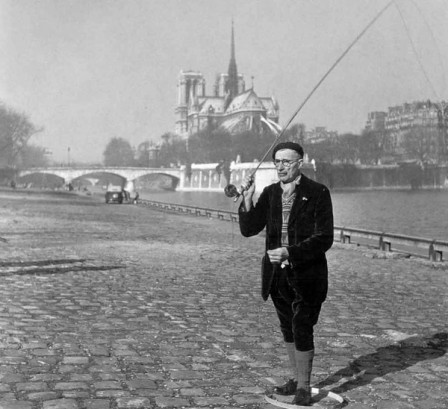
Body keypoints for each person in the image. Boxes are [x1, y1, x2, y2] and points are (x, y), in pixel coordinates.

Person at [238, 142, 333, 406]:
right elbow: (249, 229)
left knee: (302, 326)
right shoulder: (269, 193)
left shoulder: (318, 193)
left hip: (307, 275)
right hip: (276, 277)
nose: (280, 167)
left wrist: (291, 252)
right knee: (287, 328)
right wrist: (248, 198)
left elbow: (324, 238)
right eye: (277, 162)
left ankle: (303, 388)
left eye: (287, 162)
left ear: (300, 163)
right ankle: (296, 377)